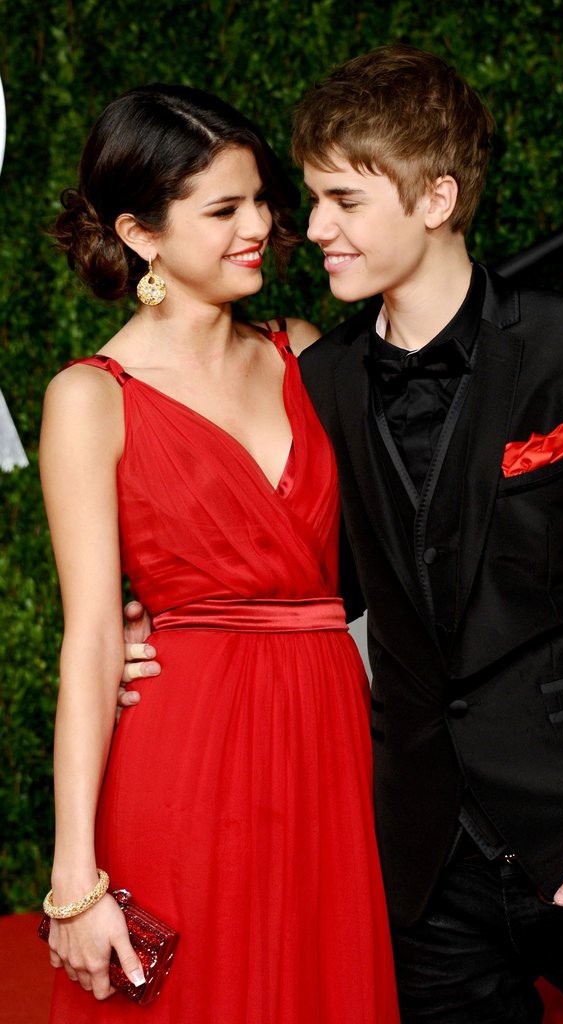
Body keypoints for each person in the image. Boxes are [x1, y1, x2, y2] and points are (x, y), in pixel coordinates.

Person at [122, 48, 563, 1022]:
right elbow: (322, 585)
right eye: (313, 199)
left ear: (437, 197)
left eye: (344, 201)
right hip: (423, 871)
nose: (314, 229)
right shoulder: (322, 379)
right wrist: (162, 624)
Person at [40, 83, 399, 1023]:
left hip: (329, 741)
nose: (262, 227)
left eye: (261, 201)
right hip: (187, 751)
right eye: (224, 209)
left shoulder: (304, 352)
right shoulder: (90, 398)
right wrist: (74, 878)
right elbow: (91, 638)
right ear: (141, 234)